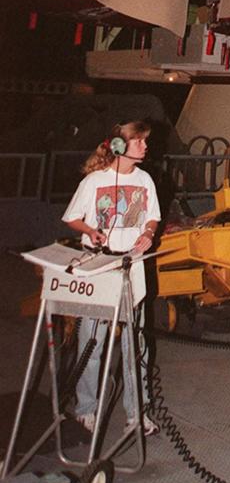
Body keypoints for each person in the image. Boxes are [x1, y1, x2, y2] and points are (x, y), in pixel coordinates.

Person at [62, 120, 161, 436]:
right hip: (100, 269)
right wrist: (91, 230)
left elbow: (153, 217)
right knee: (92, 343)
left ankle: (137, 414)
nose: (145, 146)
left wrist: (147, 233)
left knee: (136, 348)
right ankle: (86, 409)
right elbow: (72, 218)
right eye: (140, 141)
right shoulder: (94, 181)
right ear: (120, 146)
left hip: (132, 271)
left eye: (145, 141)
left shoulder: (145, 180)